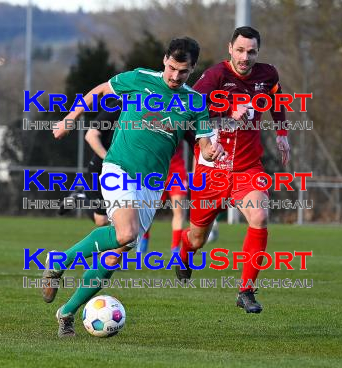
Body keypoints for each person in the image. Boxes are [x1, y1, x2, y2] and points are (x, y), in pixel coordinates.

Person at [42, 36, 225, 337]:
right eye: (171, 68)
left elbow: (205, 142)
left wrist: (208, 151)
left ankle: (67, 313)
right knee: (126, 232)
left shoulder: (194, 101)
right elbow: (98, 91)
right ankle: (58, 261)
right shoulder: (139, 79)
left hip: (152, 184)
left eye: (184, 72)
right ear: (164, 60)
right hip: (119, 167)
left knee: (115, 253)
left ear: (192, 69)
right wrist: (69, 119)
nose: (175, 77)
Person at [175, 26, 291, 314]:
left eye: (251, 51)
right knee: (198, 238)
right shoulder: (216, 76)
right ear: (230, 48)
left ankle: (246, 291)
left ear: (257, 52)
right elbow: (190, 107)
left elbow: (276, 98)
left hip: (247, 168)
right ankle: (184, 253)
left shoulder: (267, 74)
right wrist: (227, 111)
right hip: (211, 170)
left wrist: (281, 133)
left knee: (260, 215)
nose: (245, 57)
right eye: (240, 50)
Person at [58, 98, 121, 227]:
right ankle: (81, 196)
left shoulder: (144, 111)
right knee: (102, 221)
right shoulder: (117, 106)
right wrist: (109, 159)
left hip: (123, 172)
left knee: (124, 219)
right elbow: (91, 135)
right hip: (99, 171)